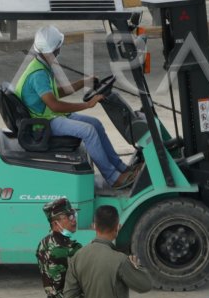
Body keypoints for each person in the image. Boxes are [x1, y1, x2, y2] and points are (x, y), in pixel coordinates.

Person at [15, 25, 142, 189]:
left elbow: (55, 93)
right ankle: (113, 178)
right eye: (59, 46)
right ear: (56, 48)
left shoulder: (41, 65)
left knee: (95, 124)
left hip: (48, 117)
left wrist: (83, 82)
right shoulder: (38, 74)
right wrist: (87, 104)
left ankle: (122, 168)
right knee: (88, 131)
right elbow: (54, 104)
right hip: (43, 123)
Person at [63, 205, 153, 298]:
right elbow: (145, 286)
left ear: (94, 226)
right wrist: (137, 266)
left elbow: (70, 294)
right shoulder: (121, 260)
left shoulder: (78, 256)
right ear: (117, 227)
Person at [35, 198, 83, 298]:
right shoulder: (70, 249)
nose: (74, 220)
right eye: (69, 217)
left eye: (74, 215)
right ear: (56, 222)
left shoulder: (43, 243)